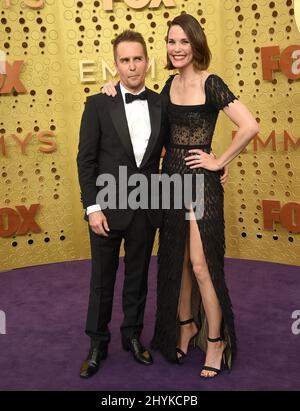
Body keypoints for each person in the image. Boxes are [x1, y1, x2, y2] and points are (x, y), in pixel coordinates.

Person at [103, 14, 259, 378]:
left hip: (199, 184)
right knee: (179, 262)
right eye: (171, 42)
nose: (176, 49)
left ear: (196, 45)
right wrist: (112, 88)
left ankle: (216, 340)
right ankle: (186, 325)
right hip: (170, 181)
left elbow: (249, 126)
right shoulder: (167, 86)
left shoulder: (212, 82)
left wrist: (220, 159)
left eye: (183, 42)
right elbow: (142, 114)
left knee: (202, 266)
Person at [76, 30, 170, 378]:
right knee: (102, 280)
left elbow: (182, 144)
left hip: (145, 207)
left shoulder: (162, 103)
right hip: (106, 208)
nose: (132, 67)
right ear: (115, 65)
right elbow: (85, 160)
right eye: (125, 60)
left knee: (138, 276)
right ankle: (97, 343)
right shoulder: (99, 103)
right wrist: (92, 207)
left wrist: (213, 165)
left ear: (147, 61)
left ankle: (132, 336)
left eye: (137, 59)